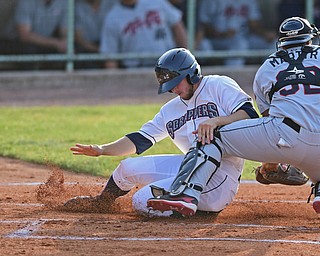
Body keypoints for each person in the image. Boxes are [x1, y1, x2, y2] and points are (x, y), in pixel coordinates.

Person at [147, 17, 320, 216]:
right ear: (310, 40)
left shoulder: (268, 66)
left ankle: (186, 194)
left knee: (212, 133)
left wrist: (274, 159)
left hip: (287, 133)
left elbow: (269, 119)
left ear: (281, 43)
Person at [62, 47, 260, 217]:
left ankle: (193, 209)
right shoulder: (170, 110)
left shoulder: (218, 85)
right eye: (168, 86)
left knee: (141, 201)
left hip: (219, 179)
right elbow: (140, 139)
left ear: (191, 74)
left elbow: (250, 114)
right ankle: (102, 202)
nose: (172, 90)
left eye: (176, 83)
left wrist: (217, 121)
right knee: (126, 168)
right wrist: (102, 149)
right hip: (189, 168)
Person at [99, 0, 187, 69]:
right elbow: (110, 57)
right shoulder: (112, 17)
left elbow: (178, 27)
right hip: (136, 70)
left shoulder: (157, 2)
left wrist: (185, 58)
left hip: (168, 64)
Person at [196, 0, 276, 66]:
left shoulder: (249, 1)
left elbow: (254, 24)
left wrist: (265, 34)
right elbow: (203, 25)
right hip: (218, 41)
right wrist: (221, 34)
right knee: (239, 44)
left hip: (244, 39)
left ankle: (268, 74)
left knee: (275, 43)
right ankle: (233, 76)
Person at [74, 0, 116, 69]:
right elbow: (80, 39)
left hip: (111, 46)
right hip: (88, 49)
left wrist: (108, 50)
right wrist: (100, 50)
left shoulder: (111, 3)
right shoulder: (77, 6)